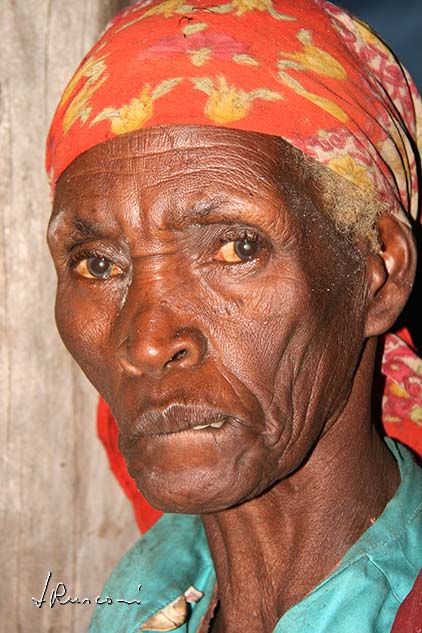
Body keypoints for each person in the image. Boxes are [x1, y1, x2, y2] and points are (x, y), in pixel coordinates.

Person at [46, 0, 422, 631]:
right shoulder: (141, 596)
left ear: (379, 271)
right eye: (97, 264)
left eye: (236, 248)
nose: (147, 342)